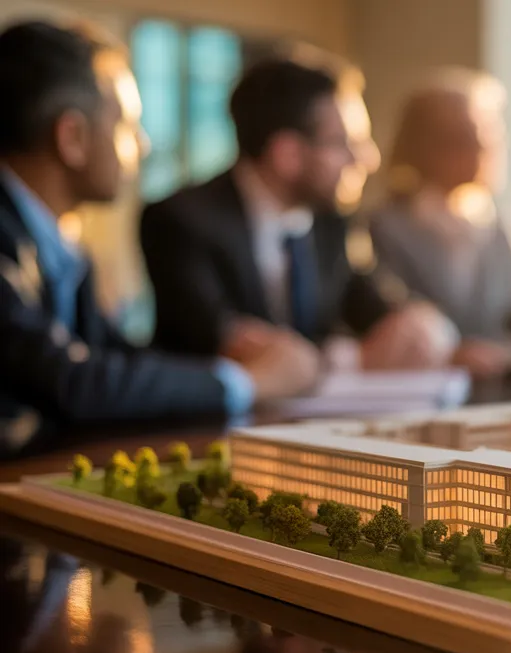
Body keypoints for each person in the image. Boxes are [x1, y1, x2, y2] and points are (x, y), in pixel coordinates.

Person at [0, 20, 316, 458]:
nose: (143, 144)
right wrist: (248, 381)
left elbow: (114, 360)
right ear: (72, 137)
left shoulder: (59, 245)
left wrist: (227, 360)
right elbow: (73, 383)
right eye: (127, 125)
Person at [141, 54, 456, 371]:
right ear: (288, 155)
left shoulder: (331, 220)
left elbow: (377, 306)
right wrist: (347, 357)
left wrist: (421, 327)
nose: (368, 159)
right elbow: (221, 340)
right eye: (345, 143)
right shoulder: (180, 221)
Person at [370, 69, 511, 374]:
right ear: (423, 145)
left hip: (498, 386)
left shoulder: (507, 230)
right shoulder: (383, 230)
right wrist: (449, 354)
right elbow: (383, 323)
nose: (482, 147)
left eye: (488, 133)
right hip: (419, 387)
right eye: (460, 137)